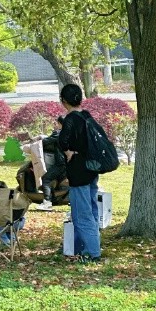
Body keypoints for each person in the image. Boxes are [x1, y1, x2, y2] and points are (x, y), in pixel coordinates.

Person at [57, 84, 101, 262]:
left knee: (82, 214)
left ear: (64, 101)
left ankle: (92, 252)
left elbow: (62, 142)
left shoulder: (70, 119)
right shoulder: (87, 116)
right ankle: (88, 246)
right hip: (92, 169)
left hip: (79, 173)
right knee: (91, 210)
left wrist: (68, 151)